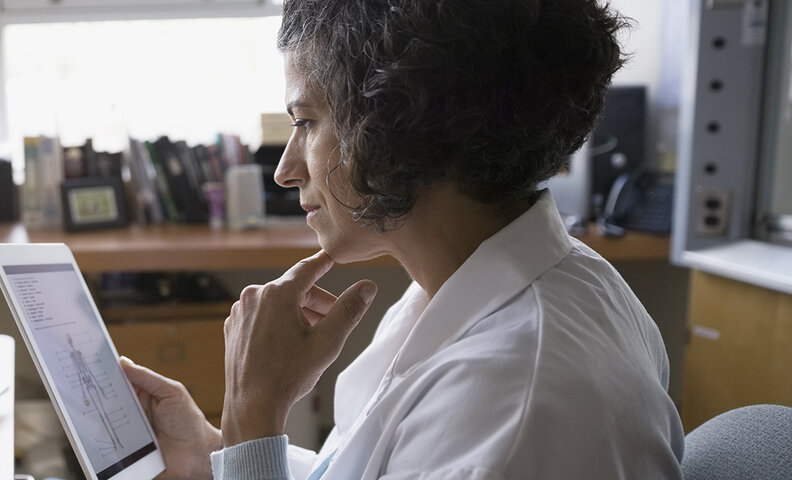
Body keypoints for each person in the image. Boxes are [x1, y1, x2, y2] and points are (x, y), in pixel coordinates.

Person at [119, 0, 684, 478]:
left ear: (397, 121)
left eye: (306, 122)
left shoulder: (515, 402)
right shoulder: (476, 285)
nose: (286, 171)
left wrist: (252, 414)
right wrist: (214, 453)